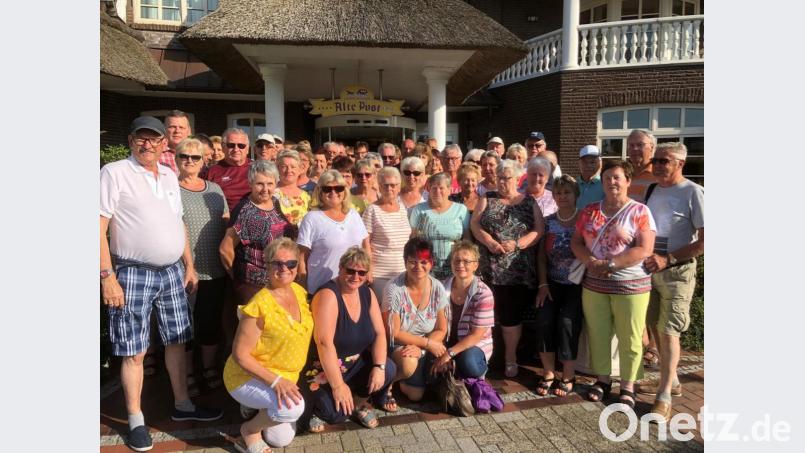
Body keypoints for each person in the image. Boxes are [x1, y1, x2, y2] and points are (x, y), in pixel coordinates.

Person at [100, 116, 222, 452]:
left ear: (162, 144)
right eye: (141, 138)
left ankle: (183, 405)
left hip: (171, 271)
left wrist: (189, 264)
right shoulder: (114, 173)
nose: (148, 145)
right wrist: (107, 277)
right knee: (134, 349)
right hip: (132, 271)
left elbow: (177, 222)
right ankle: (136, 417)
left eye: (154, 139)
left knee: (177, 341)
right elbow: (97, 228)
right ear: (130, 140)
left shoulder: (168, 174)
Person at [570, 159, 656, 408]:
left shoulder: (639, 211)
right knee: (598, 334)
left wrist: (610, 264)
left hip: (631, 285)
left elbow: (645, 248)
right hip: (594, 285)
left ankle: (628, 385)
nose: (612, 182)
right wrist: (590, 262)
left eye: (617, 177)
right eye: (607, 178)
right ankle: (603, 379)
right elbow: (576, 241)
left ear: (628, 181)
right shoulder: (589, 210)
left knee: (630, 336)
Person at [224, 238, 312, 452]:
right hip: (247, 376)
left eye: (290, 263)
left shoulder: (299, 293)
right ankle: (249, 431)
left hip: (285, 375)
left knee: (280, 439)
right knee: (293, 409)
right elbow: (240, 355)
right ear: (267, 265)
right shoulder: (259, 305)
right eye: (277, 263)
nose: (285, 269)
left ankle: (256, 407)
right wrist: (275, 382)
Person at [638, 142, 704, 422]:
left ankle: (664, 396)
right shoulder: (651, 190)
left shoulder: (694, 192)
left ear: (680, 164)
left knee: (669, 331)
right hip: (651, 271)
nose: (658, 165)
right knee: (653, 325)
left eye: (665, 161)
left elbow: (706, 240)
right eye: (656, 160)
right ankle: (672, 380)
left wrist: (669, 259)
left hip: (678, 272)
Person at [304, 247, 396, 432]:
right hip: (322, 368)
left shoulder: (367, 294)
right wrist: (338, 385)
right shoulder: (328, 295)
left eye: (361, 272)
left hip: (352, 365)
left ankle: (358, 404)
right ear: (340, 268)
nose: (356, 276)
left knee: (389, 368)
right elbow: (324, 343)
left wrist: (379, 367)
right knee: (335, 415)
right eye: (350, 270)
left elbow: (379, 333)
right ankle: (312, 409)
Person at [471, 159, 544, 378]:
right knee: (490, 315)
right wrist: (489, 241)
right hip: (490, 270)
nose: (503, 182)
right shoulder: (487, 198)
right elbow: (475, 224)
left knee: (511, 316)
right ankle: (489, 356)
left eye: (508, 178)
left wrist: (519, 243)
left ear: (517, 179)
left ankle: (510, 358)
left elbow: (539, 230)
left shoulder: (529, 202)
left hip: (518, 271)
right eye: (500, 178)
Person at [177, 138, 230, 390]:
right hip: (183, 270)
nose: (189, 161)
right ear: (176, 159)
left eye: (195, 157)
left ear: (203, 160)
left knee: (209, 322)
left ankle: (208, 368)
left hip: (214, 269)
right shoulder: (170, 189)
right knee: (184, 325)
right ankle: (187, 373)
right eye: (184, 156)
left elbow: (226, 221)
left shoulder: (214, 189)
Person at [382, 238, 449, 402]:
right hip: (399, 345)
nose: (418, 267)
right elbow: (394, 333)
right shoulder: (394, 289)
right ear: (405, 262)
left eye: (424, 262)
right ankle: (386, 384)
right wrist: (426, 344)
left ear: (431, 263)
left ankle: (412, 377)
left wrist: (423, 348)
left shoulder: (437, 287)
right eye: (412, 262)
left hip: (424, 344)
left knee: (416, 395)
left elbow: (441, 328)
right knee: (409, 366)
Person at [535, 175, 584, 397]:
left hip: (578, 284)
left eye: (567, 192)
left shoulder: (585, 220)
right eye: (558, 193)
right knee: (544, 319)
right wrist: (543, 284)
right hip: (552, 282)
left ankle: (568, 374)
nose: (562, 196)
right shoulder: (548, 221)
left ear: (576, 195)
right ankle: (548, 373)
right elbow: (542, 256)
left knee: (567, 322)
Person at [220, 160, 293, 305]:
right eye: (260, 184)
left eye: (270, 184)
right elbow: (225, 249)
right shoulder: (244, 211)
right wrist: (237, 278)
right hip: (252, 287)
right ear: (250, 184)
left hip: (277, 280)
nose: (265, 189)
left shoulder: (275, 202)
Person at [297, 170, 369, 294]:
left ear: (345, 191)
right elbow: (302, 257)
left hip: (352, 289)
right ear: (320, 191)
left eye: (338, 188)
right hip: (321, 288)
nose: (333, 192)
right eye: (327, 189)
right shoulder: (311, 218)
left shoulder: (354, 215)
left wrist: (368, 271)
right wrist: (303, 287)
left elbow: (366, 245)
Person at [431, 241, 495, 380]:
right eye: (456, 260)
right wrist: (441, 348)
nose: (460, 265)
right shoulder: (440, 287)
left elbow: (476, 335)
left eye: (466, 261)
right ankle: (451, 370)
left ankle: (465, 369)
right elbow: (434, 323)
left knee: (469, 364)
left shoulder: (483, 293)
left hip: (472, 345)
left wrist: (448, 354)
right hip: (445, 342)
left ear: (475, 265)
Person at [409, 173, 471, 281]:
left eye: (441, 188)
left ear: (449, 189)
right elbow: (412, 239)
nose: (437, 191)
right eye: (434, 188)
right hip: (425, 269)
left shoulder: (461, 210)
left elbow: (467, 240)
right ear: (429, 189)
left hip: (454, 268)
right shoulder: (419, 210)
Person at [362, 167, 411, 297]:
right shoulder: (372, 210)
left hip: (403, 272)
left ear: (399, 187)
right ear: (379, 186)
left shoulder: (403, 209)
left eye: (393, 185)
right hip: (380, 275)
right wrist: (368, 269)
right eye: (385, 185)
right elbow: (365, 243)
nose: (389, 189)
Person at [206, 128, 252, 211]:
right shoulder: (211, 172)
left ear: (247, 149)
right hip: (223, 220)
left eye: (241, 146)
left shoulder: (258, 168)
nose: (236, 149)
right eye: (231, 145)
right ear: (223, 147)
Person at [274, 150, 312, 226]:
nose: (289, 170)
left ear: (299, 170)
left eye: (293, 167)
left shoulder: (306, 197)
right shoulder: (271, 193)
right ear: (278, 168)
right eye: (284, 166)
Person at [626, 129, 657, 202]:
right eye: (631, 145)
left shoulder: (659, 174)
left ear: (652, 147)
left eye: (640, 145)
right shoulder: (624, 173)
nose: (635, 148)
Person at [576, 145, 605, 209]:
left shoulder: (606, 184)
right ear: (579, 163)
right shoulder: (572, 184)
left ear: (600, 163)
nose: (588, 165)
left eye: (593, 162)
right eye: (585, 162)